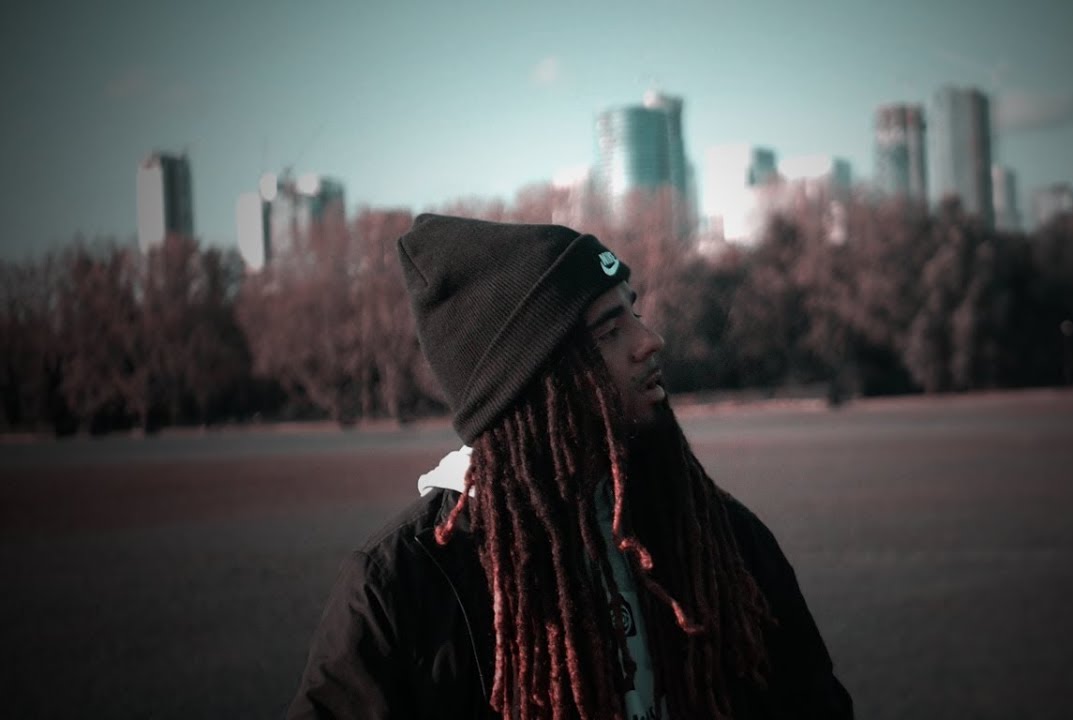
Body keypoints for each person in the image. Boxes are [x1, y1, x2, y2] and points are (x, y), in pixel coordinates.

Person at [288, 214, 854, 720]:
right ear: (532, 385)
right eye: (609, 332)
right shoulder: (404, 587)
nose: (650, 340)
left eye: (635, 312)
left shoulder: (721, 539)